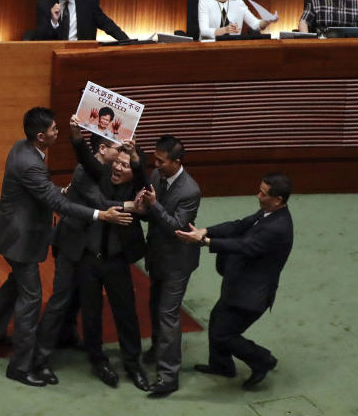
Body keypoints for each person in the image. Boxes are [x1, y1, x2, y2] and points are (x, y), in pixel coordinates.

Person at [0, 107, 122, 387]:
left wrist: (59, 190)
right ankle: (20, 367)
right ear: (42, 136)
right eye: (56, 130)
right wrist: (98, 214)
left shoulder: (23, 148)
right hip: (21, 239)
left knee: (14, 284)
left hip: (12, 232)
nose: (59, 132)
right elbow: (53, 202)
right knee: (31, 299)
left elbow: (41, 190)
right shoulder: (30, 163)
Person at [35, 120, 149, 391]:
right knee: (90, 312)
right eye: (116, 161)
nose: (118, 167)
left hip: (117, 259)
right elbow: (87, 165)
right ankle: (97, 360)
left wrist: (134, 160)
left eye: (125, 163)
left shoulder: (140, 185)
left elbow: (143, 182)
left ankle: (133, 364)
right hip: (87, 255)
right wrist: (76, 135)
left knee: (126, 313)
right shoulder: (99, 174)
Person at [175, 172, 293, 389]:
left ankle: (262, 359)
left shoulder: (277, 228)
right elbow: (239, 226)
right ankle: (222, 366)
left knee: (224, 334)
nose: (258, 195)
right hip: (238, 287)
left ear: (278, 200)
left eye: (263, 193)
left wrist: (206, 241)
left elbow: (244, 246)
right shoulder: (267, 213)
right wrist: (206, 231)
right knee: (217, 320)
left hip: (251, 296)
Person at [135, 135, 202, 396]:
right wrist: (143, 208)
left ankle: (168, 376)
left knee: (168, 315)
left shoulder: (190, 191)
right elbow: (151, 216)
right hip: (157, 257)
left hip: (177, 262)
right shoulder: (156, 176)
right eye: (155, 160)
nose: (157, 165)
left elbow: (176, 226)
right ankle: (156, 348)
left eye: (161, 161)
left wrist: (153, 205)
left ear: (177, 161)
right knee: (155, 306)